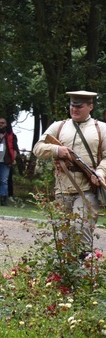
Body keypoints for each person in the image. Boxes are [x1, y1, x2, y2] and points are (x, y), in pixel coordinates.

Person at [32, 90, 106, 252]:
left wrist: (100, 172)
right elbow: (38, 148)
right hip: (63, 188)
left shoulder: (102, 129)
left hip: (88, 188)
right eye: (73, 105)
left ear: (90, 107)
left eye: (79, 106)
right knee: (64, 237)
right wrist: (57, 150)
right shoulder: (58, 126)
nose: (74, 109)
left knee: (81, 231)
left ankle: (83, 272)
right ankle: (66, 275)